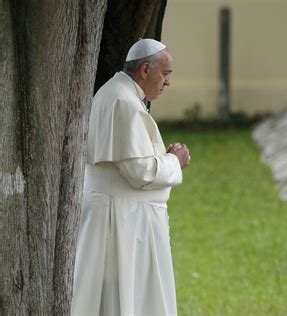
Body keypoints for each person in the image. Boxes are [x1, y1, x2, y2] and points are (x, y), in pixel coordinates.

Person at [71, 38, 189, 316]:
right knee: (123, 299)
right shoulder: (123, 101)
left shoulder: (119, 94)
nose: (168, 82)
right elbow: (139, 172)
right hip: (120, 219)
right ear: (145, 69)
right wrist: (174, 161)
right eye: (166, 73)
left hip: (122, 215)